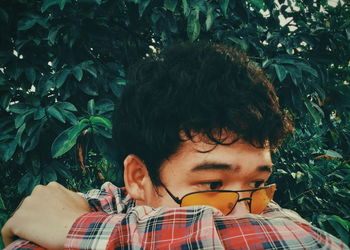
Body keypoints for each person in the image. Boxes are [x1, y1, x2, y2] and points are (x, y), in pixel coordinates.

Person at [2, 43, 348, 249]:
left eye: (258, 183)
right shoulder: (97, 209)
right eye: (213, 185)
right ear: (138, 178)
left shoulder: (263, 214)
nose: (245, 215)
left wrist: (77, 232)